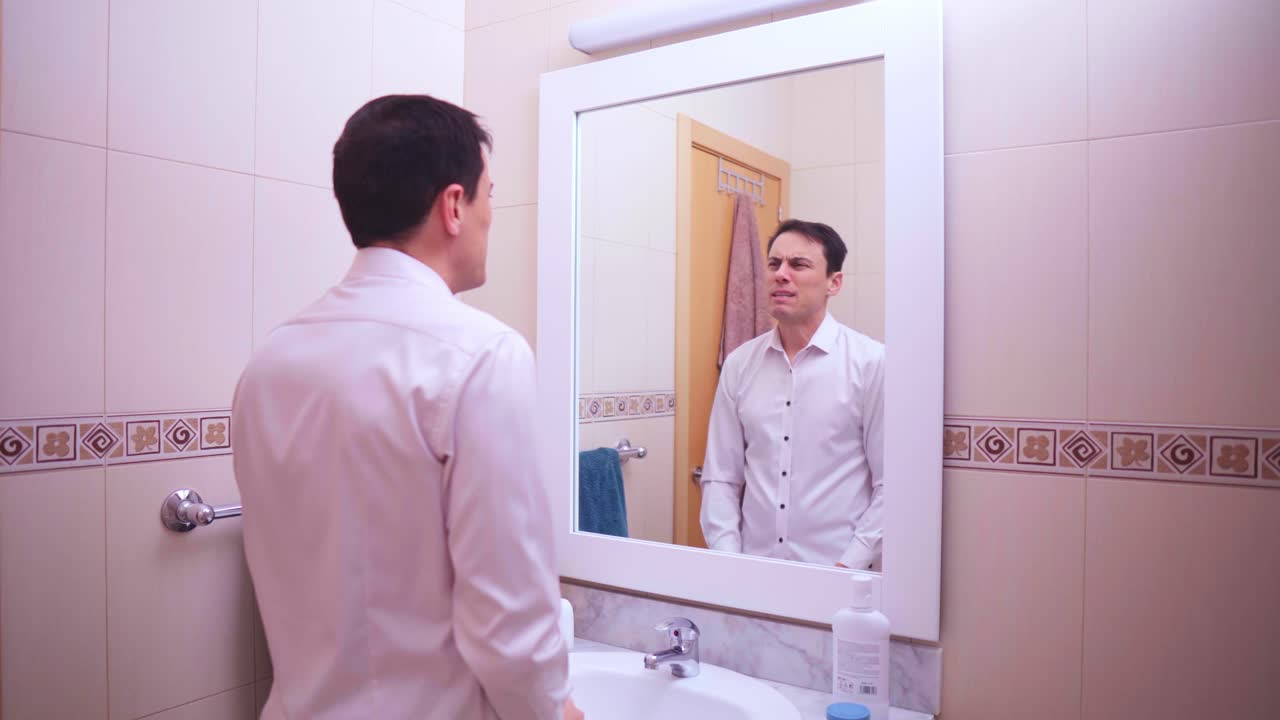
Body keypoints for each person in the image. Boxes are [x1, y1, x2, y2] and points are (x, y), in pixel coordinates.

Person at [232, 95, 582, 720]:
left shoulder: (269, 361)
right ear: (453, 205)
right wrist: (551, 711)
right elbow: (508, 620)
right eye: (489, 196)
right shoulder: (481, 354)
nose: (489, 217)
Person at [699, 219, 885, 570]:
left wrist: (850, 565)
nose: (781, 274)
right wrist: (729, 563)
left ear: (835, 282)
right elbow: (720, 476)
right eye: (774, 264)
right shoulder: (740, 365)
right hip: (752, 575)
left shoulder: (871, 363)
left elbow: (891, 485)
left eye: (798, 265)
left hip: (841, 576)